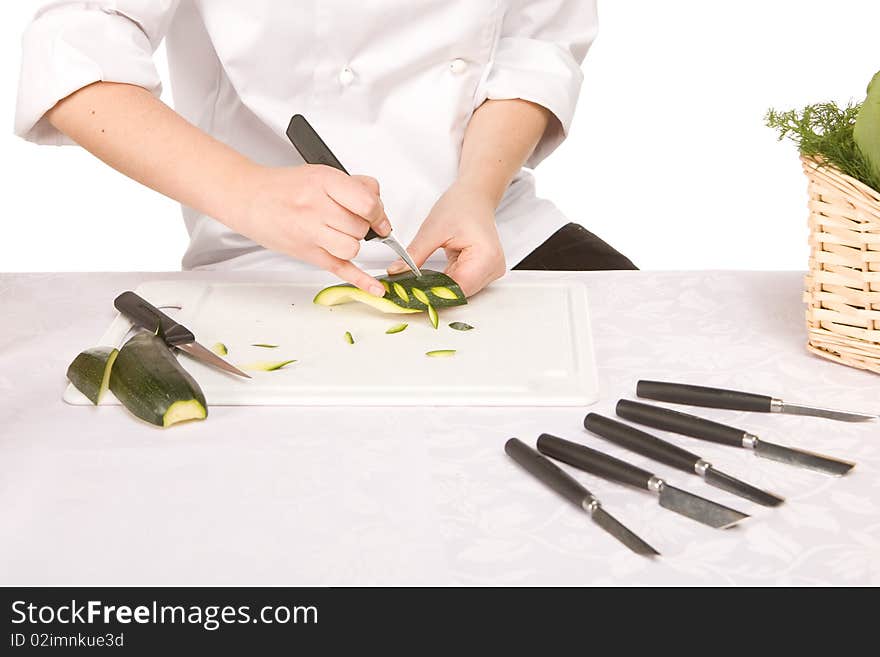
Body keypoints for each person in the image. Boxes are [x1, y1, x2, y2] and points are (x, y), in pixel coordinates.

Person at [14, 1, 635, 298]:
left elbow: (536, 46)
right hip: (266, 256)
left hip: (497, 227)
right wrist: (249, 193)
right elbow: (72, 51)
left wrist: (475, 190)